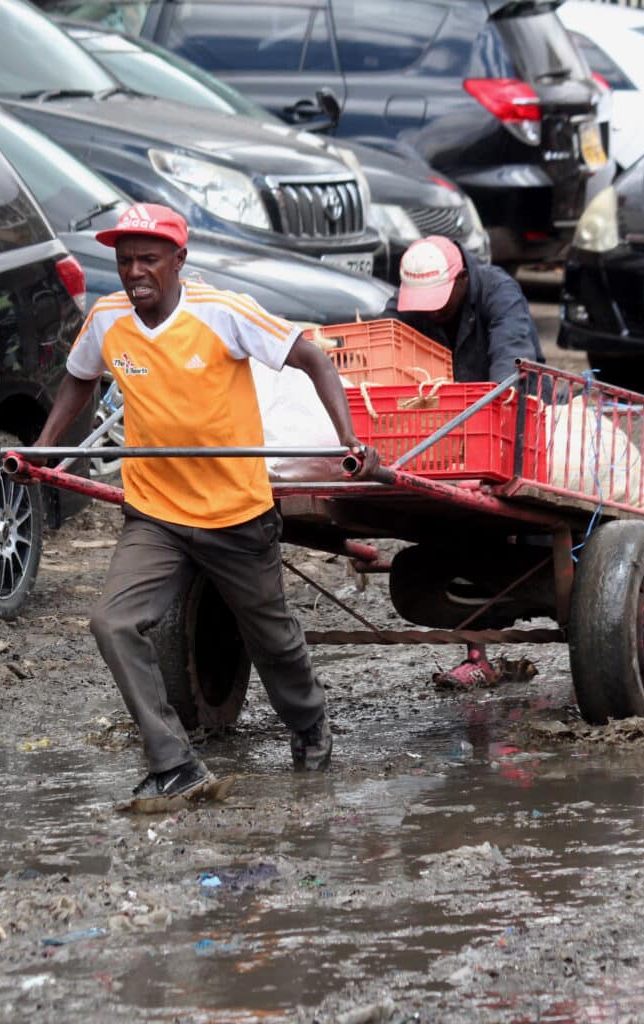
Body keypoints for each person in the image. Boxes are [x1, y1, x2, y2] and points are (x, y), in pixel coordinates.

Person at [31, 203, 380, 800]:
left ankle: (309, 724)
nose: (134, 272)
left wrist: (349, 439)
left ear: (179, 261)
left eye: (148, 259)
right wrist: (43, 450)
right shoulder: (108, 319)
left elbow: (311, 356)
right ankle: (174, 761)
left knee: (271, 639)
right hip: (156, 514)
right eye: (124, 261)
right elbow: (80, 378)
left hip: (234, 512)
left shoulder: (223, 312)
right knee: (113, 623)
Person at [383, 236, 545, 688]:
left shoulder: (498, 293)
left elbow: (513, 365)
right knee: (449, 535)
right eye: (422, 303)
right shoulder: (405, 307)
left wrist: (491, 422)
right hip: (439, 438)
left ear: (461, 280)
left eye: (439, 301)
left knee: (504, 532)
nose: (431, 312)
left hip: (508, 426)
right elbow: (383, 360)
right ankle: (478, 653)